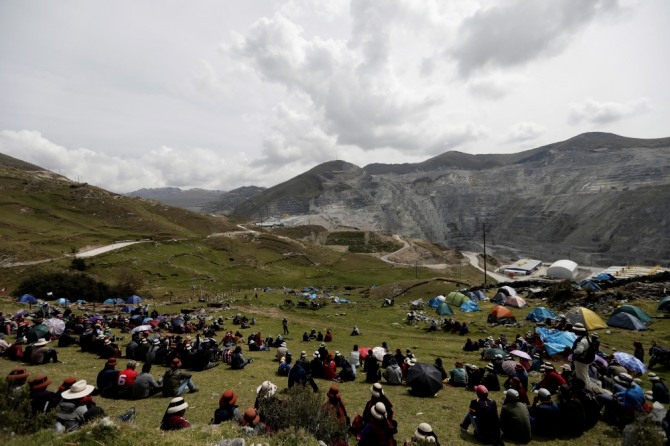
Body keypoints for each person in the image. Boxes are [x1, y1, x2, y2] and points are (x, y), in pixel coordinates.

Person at [571, 322, 594, 390]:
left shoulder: (582, 341)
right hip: (586, 359)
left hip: (581, 360)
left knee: (581, 375)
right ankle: (588, 386)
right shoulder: (587, 338)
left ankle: (585, 389)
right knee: (585, 374)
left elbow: (579, 351)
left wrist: (573, 351)